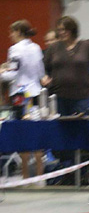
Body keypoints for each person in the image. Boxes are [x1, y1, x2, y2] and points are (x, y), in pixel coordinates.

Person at [41, 15, 89, 116]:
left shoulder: (86, 46)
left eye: (65, 29)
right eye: (59, 30)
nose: (62, 32)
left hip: (82, 97)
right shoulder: (53, 48)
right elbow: (43, 66)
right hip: (59, 97)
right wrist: (45, 77)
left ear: (73, 30)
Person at [1, 20, 45, 180]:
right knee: (37, 132)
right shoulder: (36, 47)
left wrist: (1, 72)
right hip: (36, 93)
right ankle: (40, 176)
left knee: (23, 133)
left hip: (20, 95)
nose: (10, 35)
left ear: (19, 32)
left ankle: (26, 176)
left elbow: (12, 74)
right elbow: (41, 73)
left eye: (12, 32)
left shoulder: (15, 49)